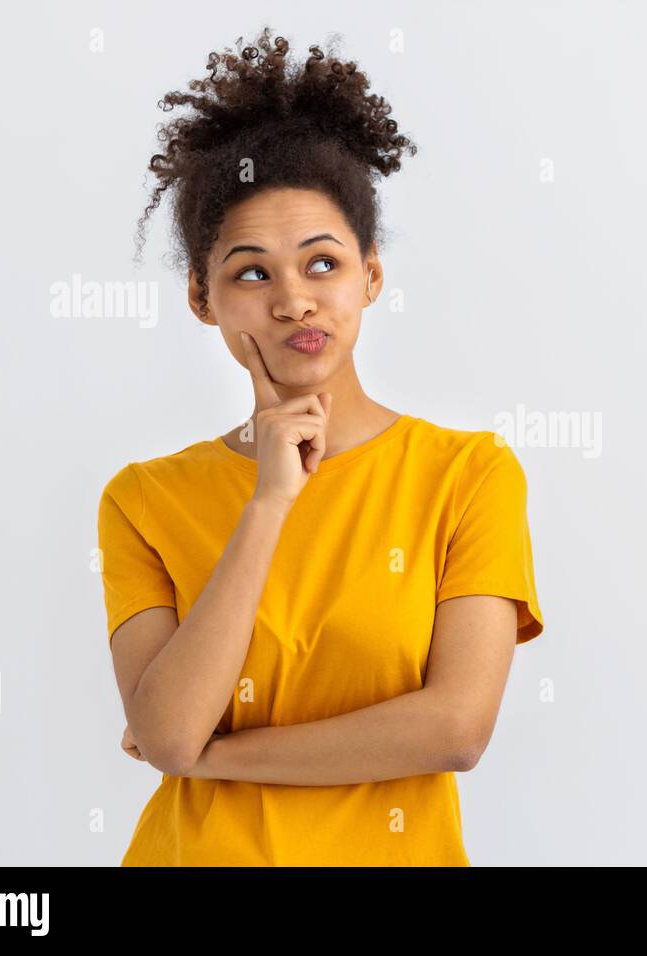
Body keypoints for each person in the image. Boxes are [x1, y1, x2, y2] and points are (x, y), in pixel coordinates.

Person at [96, 27, 544, 866]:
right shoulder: (143, 498)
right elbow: (165, 730)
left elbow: (455, 728)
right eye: (252, 273)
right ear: (203, 297)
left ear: (370, 275)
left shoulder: (467, 475)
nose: (295, 301)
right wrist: (268, 503)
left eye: (323, 264)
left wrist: (213, 757)